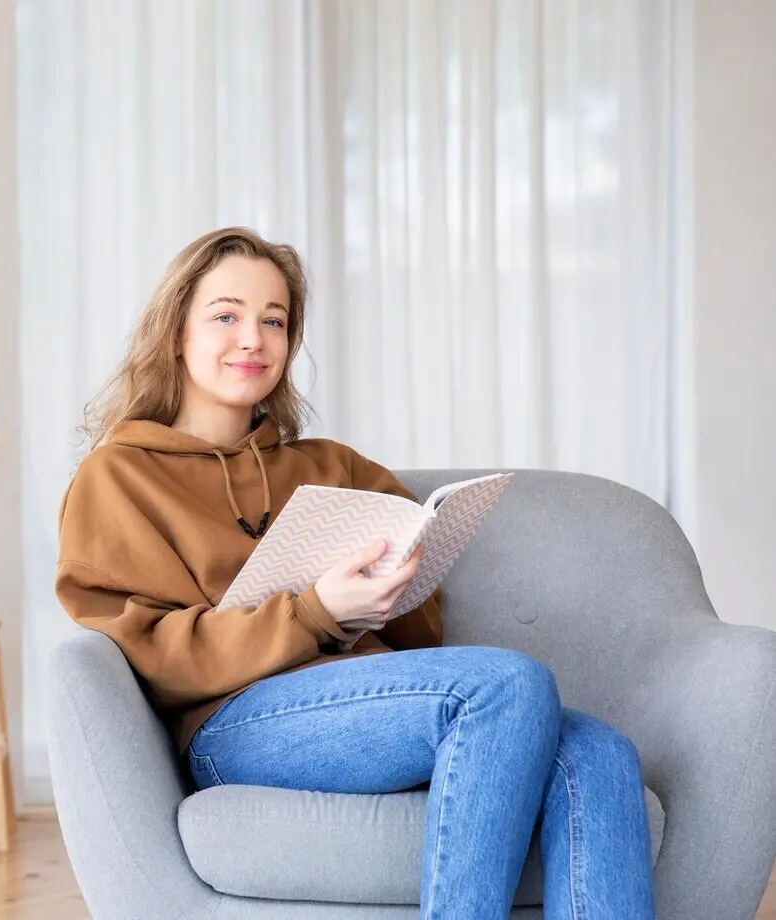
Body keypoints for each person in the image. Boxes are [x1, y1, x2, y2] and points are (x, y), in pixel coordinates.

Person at [53, 227, 655, 919]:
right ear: (176, 335)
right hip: (233, 723)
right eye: (226, 315)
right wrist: (312, 611)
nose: (252, 338)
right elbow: (153, 656)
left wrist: (384, 593)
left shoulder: (334, 467)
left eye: (273, 321)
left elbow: (418, 637)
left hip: (360, 701)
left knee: (599, 753)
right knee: (508, 684)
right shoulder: (118, 477)